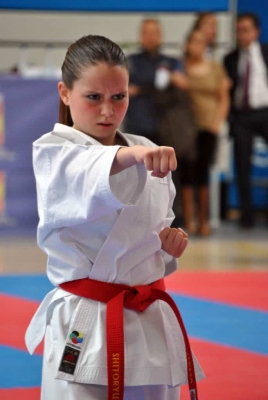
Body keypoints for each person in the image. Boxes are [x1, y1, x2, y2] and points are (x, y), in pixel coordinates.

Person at [25, 35, 205, 400]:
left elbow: (153, 237)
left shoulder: (150, 151)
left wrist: (169, 246)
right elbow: (87, 171)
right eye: (93, 97)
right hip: (84, 320)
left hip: (148, 318)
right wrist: (131, 156)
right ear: (65, 93)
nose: (107, 110)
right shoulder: (53, 152)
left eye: (118, 97)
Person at [183, 29, 230, 235]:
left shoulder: (215, 68)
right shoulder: (181, 68)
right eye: (193, 42)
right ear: (187, 45)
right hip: (186, 127)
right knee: (186, 172)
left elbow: (223, 97)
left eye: (201, 42)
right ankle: (189, 219)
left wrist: (217, 122)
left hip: (208, 125)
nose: (197, 46)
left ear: (206, 46)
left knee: (203, 172)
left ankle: (204, 220)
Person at [224, 13, 268, 228]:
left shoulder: (266, 53)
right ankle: (246, 216)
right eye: (239, 30)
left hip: (266, 112)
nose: (242, 34)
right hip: (242, 115)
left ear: (256, 31)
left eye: (246, 30)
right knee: (241, 165)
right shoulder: (230, 58)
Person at [125, 18, 188, 145]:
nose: (150, 37)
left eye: (154, 33)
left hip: (165, 128)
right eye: (146, 33)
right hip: (136, 125)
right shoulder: (131, 61)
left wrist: (171, 77)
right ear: (141, 36)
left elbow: (184, 83)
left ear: (161, 36)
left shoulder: (171, 62)